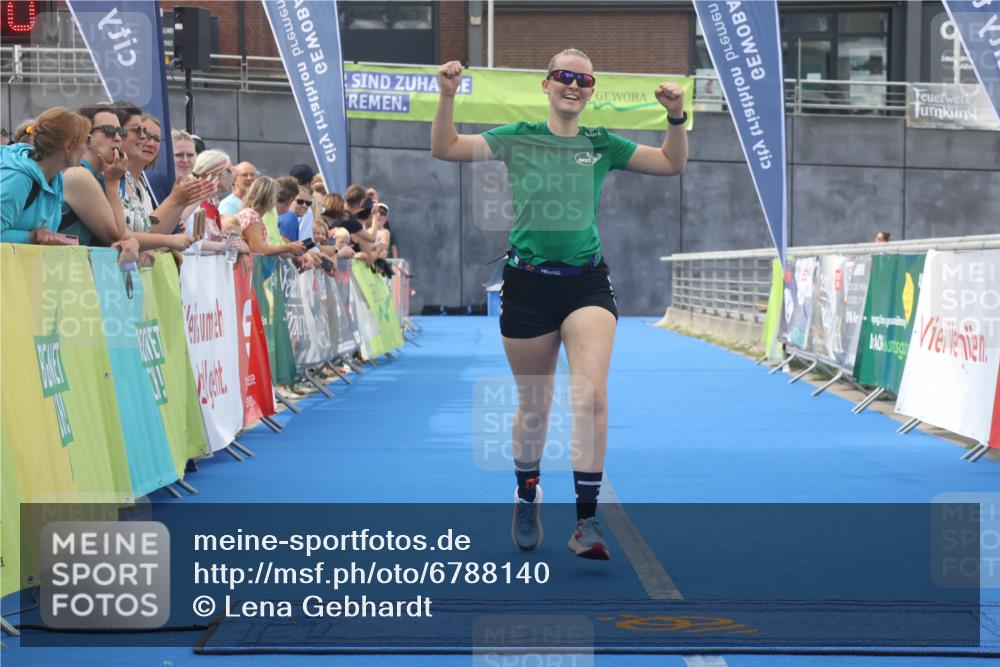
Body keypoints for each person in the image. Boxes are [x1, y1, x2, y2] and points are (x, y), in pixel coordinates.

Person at [431, 50, 687, 559]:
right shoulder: (517, 135)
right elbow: (447, 147)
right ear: (546, 84)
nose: (574, 84)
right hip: (527, 285)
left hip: (585, 284)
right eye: (565, 77)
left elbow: (671, 162)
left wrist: (675, 117)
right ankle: (527, 494)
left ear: (592, 90)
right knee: (534, 406)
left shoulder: (602, 143)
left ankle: (586, 522)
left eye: (584, 79)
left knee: (591, 397)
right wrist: (446, 94)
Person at [59, 103, 139, 263]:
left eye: (121, 132)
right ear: (87, 137)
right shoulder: (78, 175)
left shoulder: (100, 177)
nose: (117, 138)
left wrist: (134, 244)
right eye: (109, 131)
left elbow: (127, 235)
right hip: (62, 272)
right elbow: (116, 234)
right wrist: (112, 184)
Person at [1, 107, 90, 244]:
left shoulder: (56, 178)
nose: (87, 147)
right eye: (86, 140)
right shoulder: (18, 179)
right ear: (69, 146)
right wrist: (32, 237)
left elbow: (48, 233)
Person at [237, 176, 306, 258]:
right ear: (268, 197)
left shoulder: (255, 215)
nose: (277, 200)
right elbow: (259, 250)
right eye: (276, 196)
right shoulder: (251, 215)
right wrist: (289, 247)